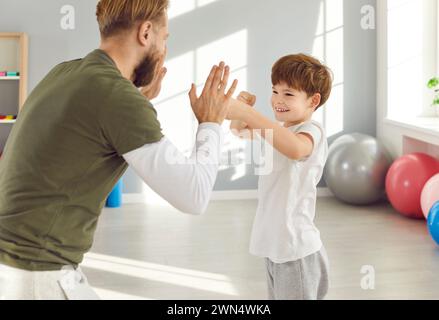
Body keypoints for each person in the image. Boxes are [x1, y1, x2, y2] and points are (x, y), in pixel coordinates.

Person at [0, 0, 237, 300]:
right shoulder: (116, 96)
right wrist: (211, 123)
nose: (164, 50)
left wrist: (138, 99)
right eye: (165, 39)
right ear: (146, 33)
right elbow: (194, 195)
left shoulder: (65, 73)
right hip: (37, 275)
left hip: (13, 267)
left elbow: (92, 132)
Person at [230, 54, 333, 300]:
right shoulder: (281, 131)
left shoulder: (311, 130)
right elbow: (238, 130)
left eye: (288, 94)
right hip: (276, 245)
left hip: (296, 248)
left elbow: (296, 149)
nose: (277, 100)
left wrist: (249, 114)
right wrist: (241, 109)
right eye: (274, 91)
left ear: (313, 100)